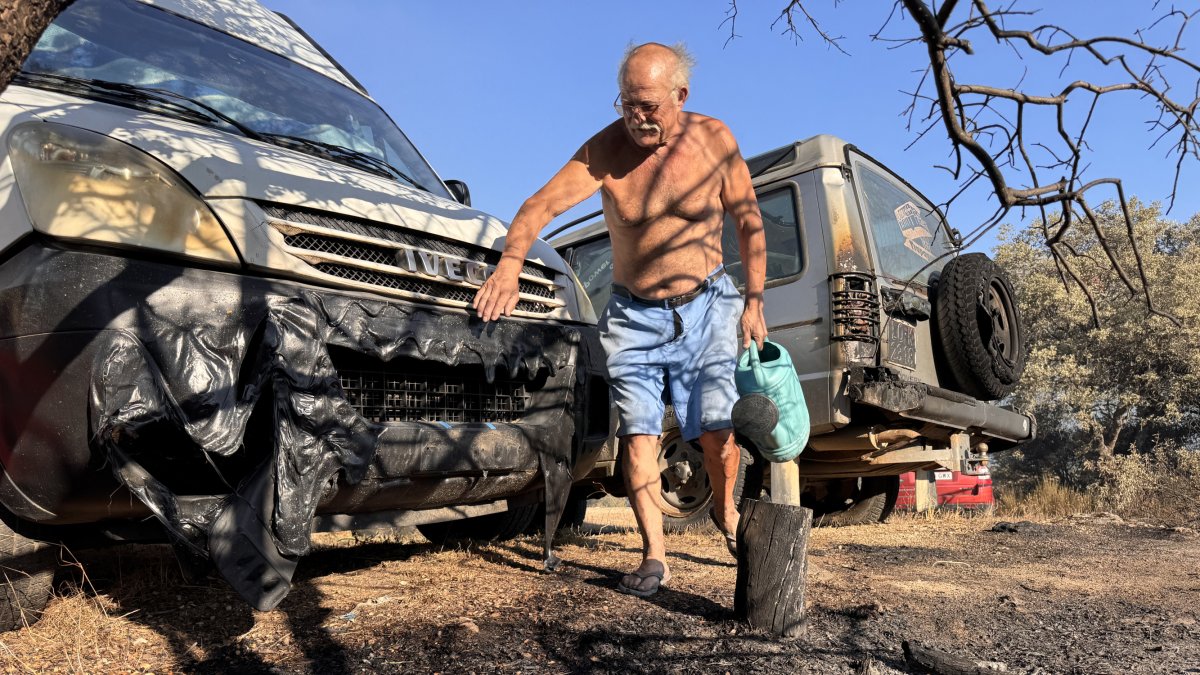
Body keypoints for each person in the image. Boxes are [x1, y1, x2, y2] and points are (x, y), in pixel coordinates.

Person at [474, 42, 766, 598]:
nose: (637, 117)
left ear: (681, 96)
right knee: (638, 437)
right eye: (627, 103)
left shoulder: (714, 140)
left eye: (650, 105)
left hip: (707, 306)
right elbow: (538, 207)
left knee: (718, 434)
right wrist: (509, 266)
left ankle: (727, 512)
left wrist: (753, 301)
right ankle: (654, 555)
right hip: (634, 316)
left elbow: (750, 222)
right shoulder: (605, 152)